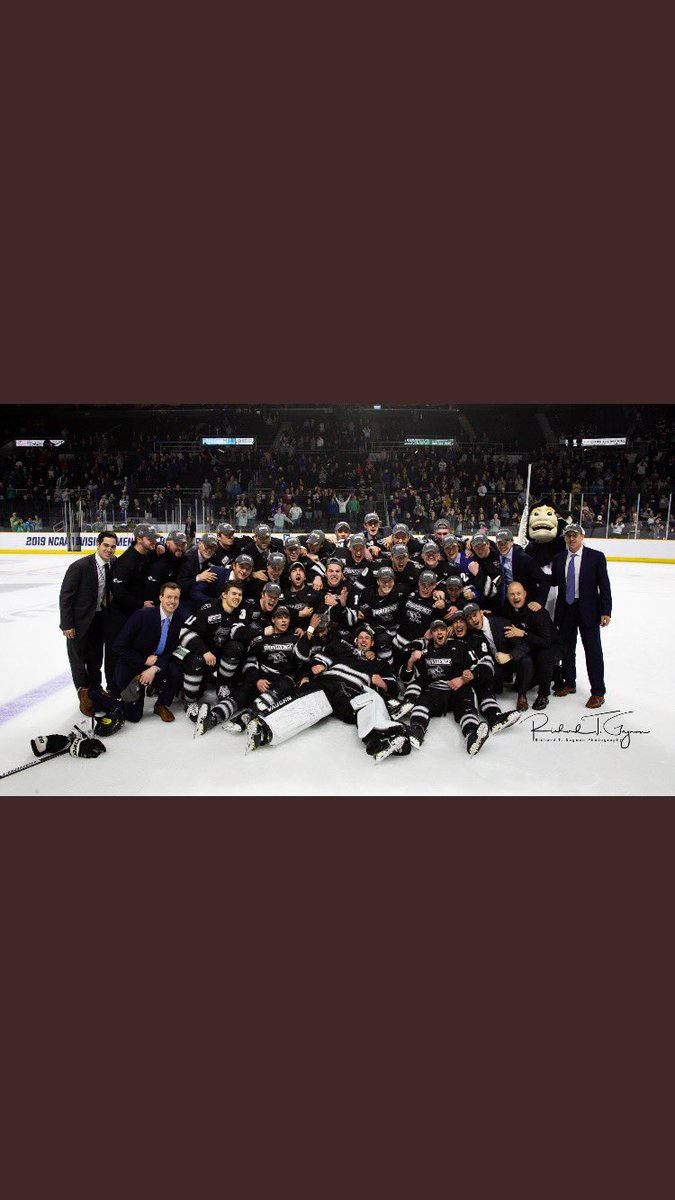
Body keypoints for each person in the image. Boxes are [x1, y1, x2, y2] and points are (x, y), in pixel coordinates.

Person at [108, 582, 190, 722]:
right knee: (133, 717)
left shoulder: (179, 619)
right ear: (160, 598)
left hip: (155, 662)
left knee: (175, 671)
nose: (172, 601)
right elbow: (118, 646)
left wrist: (154, 669)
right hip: (132, 663)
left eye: (176, 598)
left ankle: (161, 704)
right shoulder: (142, 615)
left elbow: (171, 649)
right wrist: (144, 661)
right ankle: (93, 694)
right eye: (169, 597)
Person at [551, 523, 612, 708]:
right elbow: (553, 581)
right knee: (567, 650)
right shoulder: (559, 558)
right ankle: (570, 683)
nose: (571, 538)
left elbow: (604, 585)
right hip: (566, 609)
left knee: (593, 652)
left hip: (589, 610)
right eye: (568, 535)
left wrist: (606, 611)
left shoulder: (596, 557)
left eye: (574, 535)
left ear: (582, 536)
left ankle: (598, 692)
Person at [59, 530, 118, 715]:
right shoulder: (80, 566)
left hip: (100, 619)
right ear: (98, 545)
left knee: (95, 658)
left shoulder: (113, 564)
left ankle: (96, 688)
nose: (109, 550)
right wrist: (67, 624)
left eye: (113, 547)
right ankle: (83, 695)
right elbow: (66, 597)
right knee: (78, 660)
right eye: (106, 545)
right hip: (78, 622)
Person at [501, 582, 563, 710]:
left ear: (525, 594)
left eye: (518, 593)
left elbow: (546, 642)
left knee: (543, 657)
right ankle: (554, 673)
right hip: (533, 644)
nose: (515, 597)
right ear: (507, 596)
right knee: (518, 687)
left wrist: (523, 633)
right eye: (512, 594)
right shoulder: (508, 609)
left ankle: (543, 694)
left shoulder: (536, 611)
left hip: (552, 645)